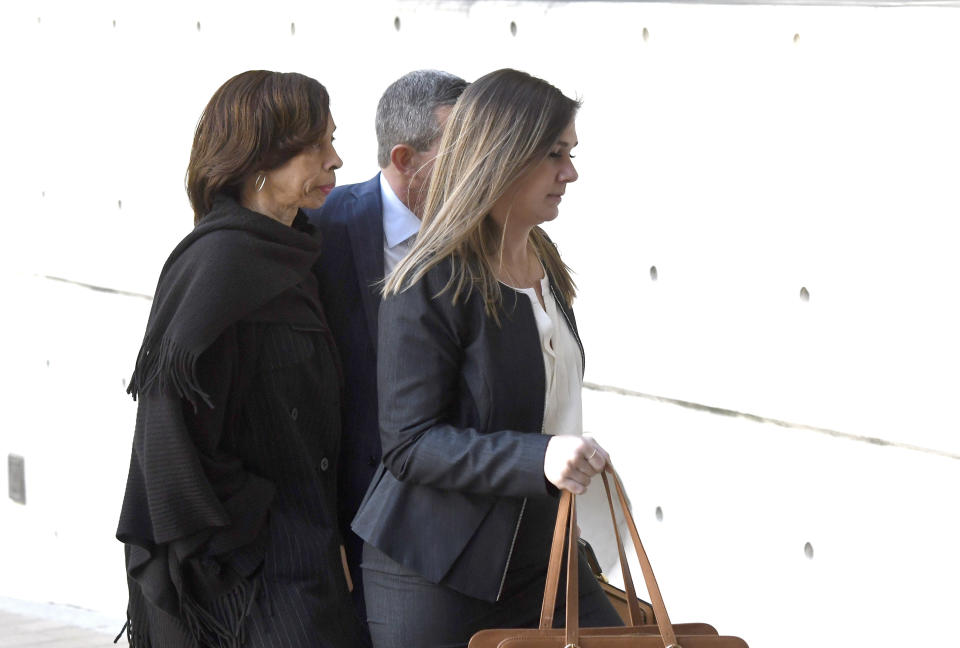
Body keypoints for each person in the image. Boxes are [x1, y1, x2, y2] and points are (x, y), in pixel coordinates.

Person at [352, 68, 623, 648]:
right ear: (501, 155)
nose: (570, 172)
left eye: (570, 153)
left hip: (543, 549)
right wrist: (540, 458)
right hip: (437, 570)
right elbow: (409, 443)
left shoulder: (543, 260)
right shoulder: (431, 277)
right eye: (554, 154)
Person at [115, 70, 368, 648]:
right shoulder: (220, 265)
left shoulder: (296, 251)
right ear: (260, 157)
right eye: (318, 145)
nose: (335, 160)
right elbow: (170, 436)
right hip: (249, 585)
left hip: (308, 557)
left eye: (333, 140)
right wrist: (257, 531)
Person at [304, 69, 467, 620]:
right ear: (404, 159)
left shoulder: (492, 238)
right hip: (347, 530)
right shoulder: (319, 229)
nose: (482, 166)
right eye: (464, 150)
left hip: (461, 531)